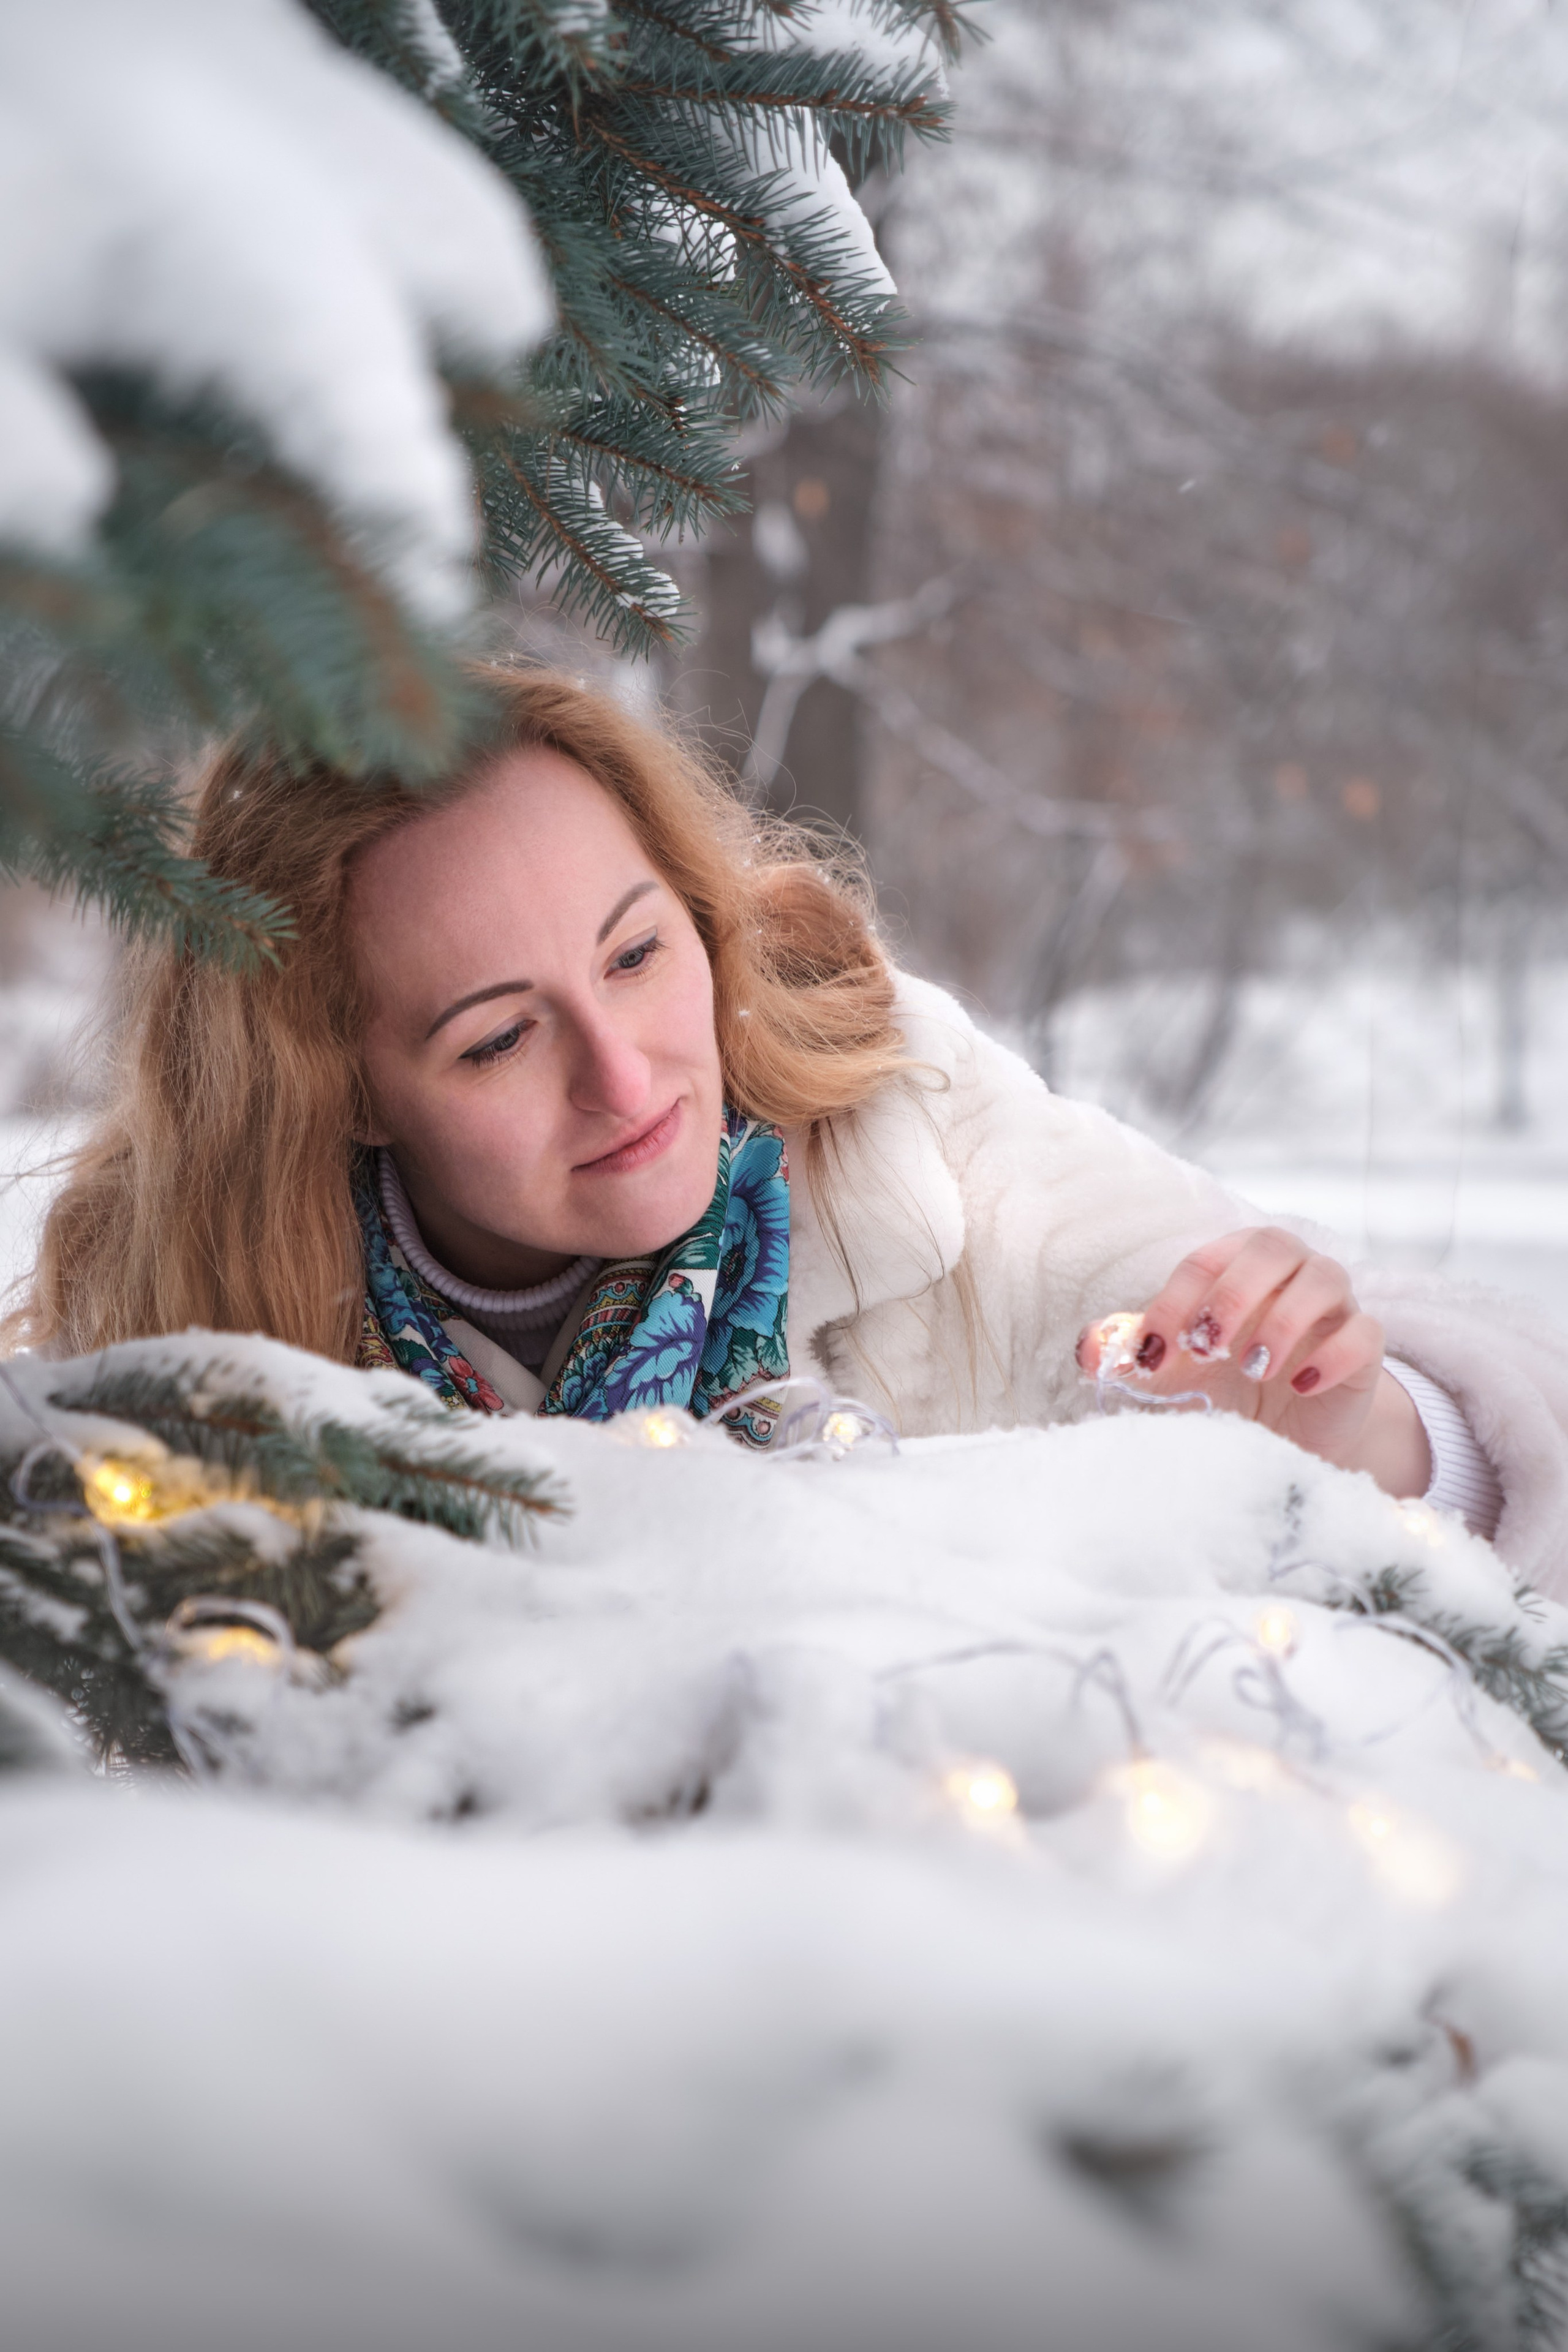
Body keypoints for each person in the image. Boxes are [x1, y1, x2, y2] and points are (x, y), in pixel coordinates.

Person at [14, 667, 1568, 1592]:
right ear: (337, 1088)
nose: (624, 1079)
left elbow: (1489, 1471)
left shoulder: (914, 1126)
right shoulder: (193, 1341)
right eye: (496, 1038)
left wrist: (1363, 1433)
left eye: (635, 956)